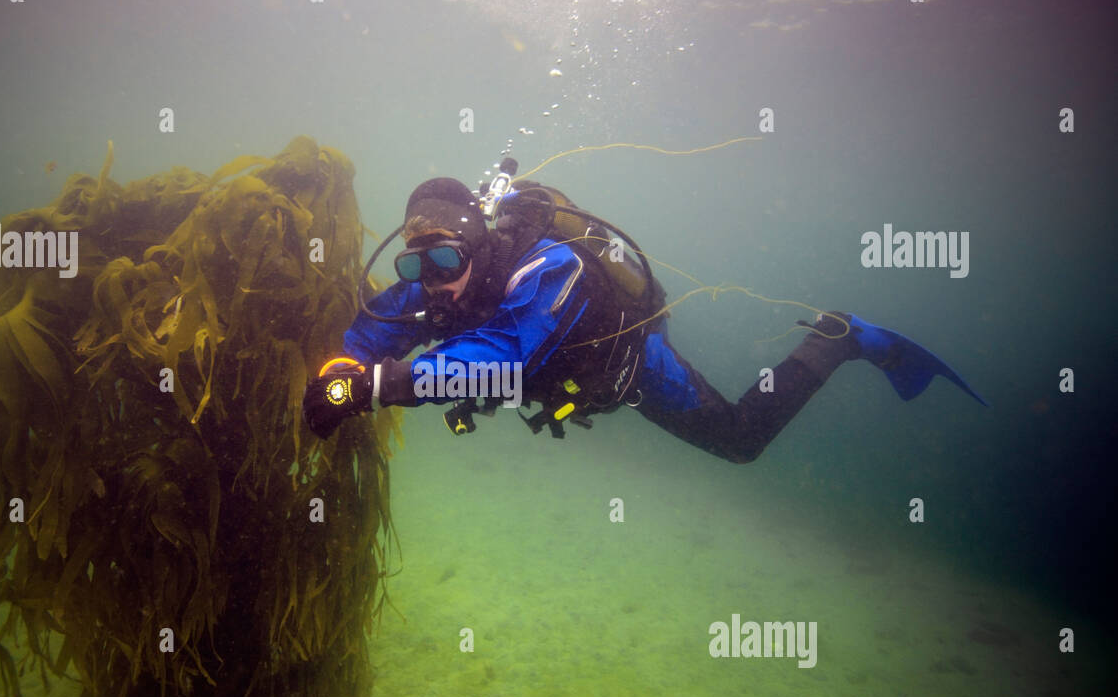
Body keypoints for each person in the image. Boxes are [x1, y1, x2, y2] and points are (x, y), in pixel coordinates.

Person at [302, 175, 985, 458]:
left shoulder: (549, 268)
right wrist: (343, 370)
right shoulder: (427, 282)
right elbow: (368, 334)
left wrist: (382, 387)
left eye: (445, 263)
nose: (431, 285)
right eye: (414, 267)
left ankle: (838, 339)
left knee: (741, 440)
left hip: (629, 368)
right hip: (569, 386)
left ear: (476, 247)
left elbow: (506, 357)